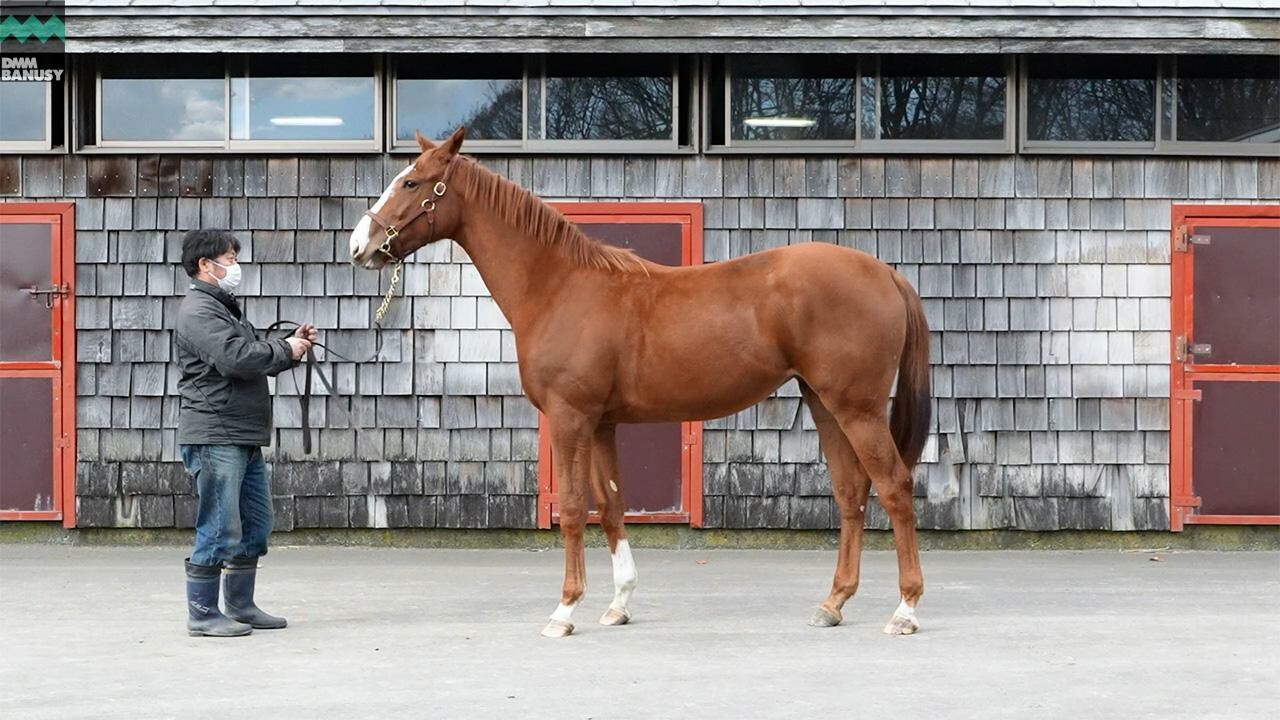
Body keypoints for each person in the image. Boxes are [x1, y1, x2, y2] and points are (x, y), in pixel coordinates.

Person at [174, 228, 317, 637]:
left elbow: (254, 354)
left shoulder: (224, 309)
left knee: (255, 522)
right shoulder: (199, 311)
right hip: (215, 432)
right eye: (229, 259)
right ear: (206, 264)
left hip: (240, 432)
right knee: (220, 524)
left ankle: (240, 604)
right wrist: (285, 349)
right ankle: (201, 613)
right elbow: (236, 359)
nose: (234, 266)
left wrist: (291, 347)